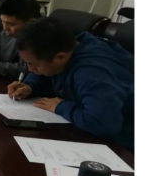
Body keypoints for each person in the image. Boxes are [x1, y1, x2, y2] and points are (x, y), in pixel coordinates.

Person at [8, 18, 135, 152]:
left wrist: (61, 106)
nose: (29, 69)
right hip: (85, 129)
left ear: (60, 57)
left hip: (122, 146)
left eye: (33, 64)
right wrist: (30, 85)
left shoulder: (92, 72)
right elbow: (50, 71)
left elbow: (103, 124)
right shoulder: (69, 47)